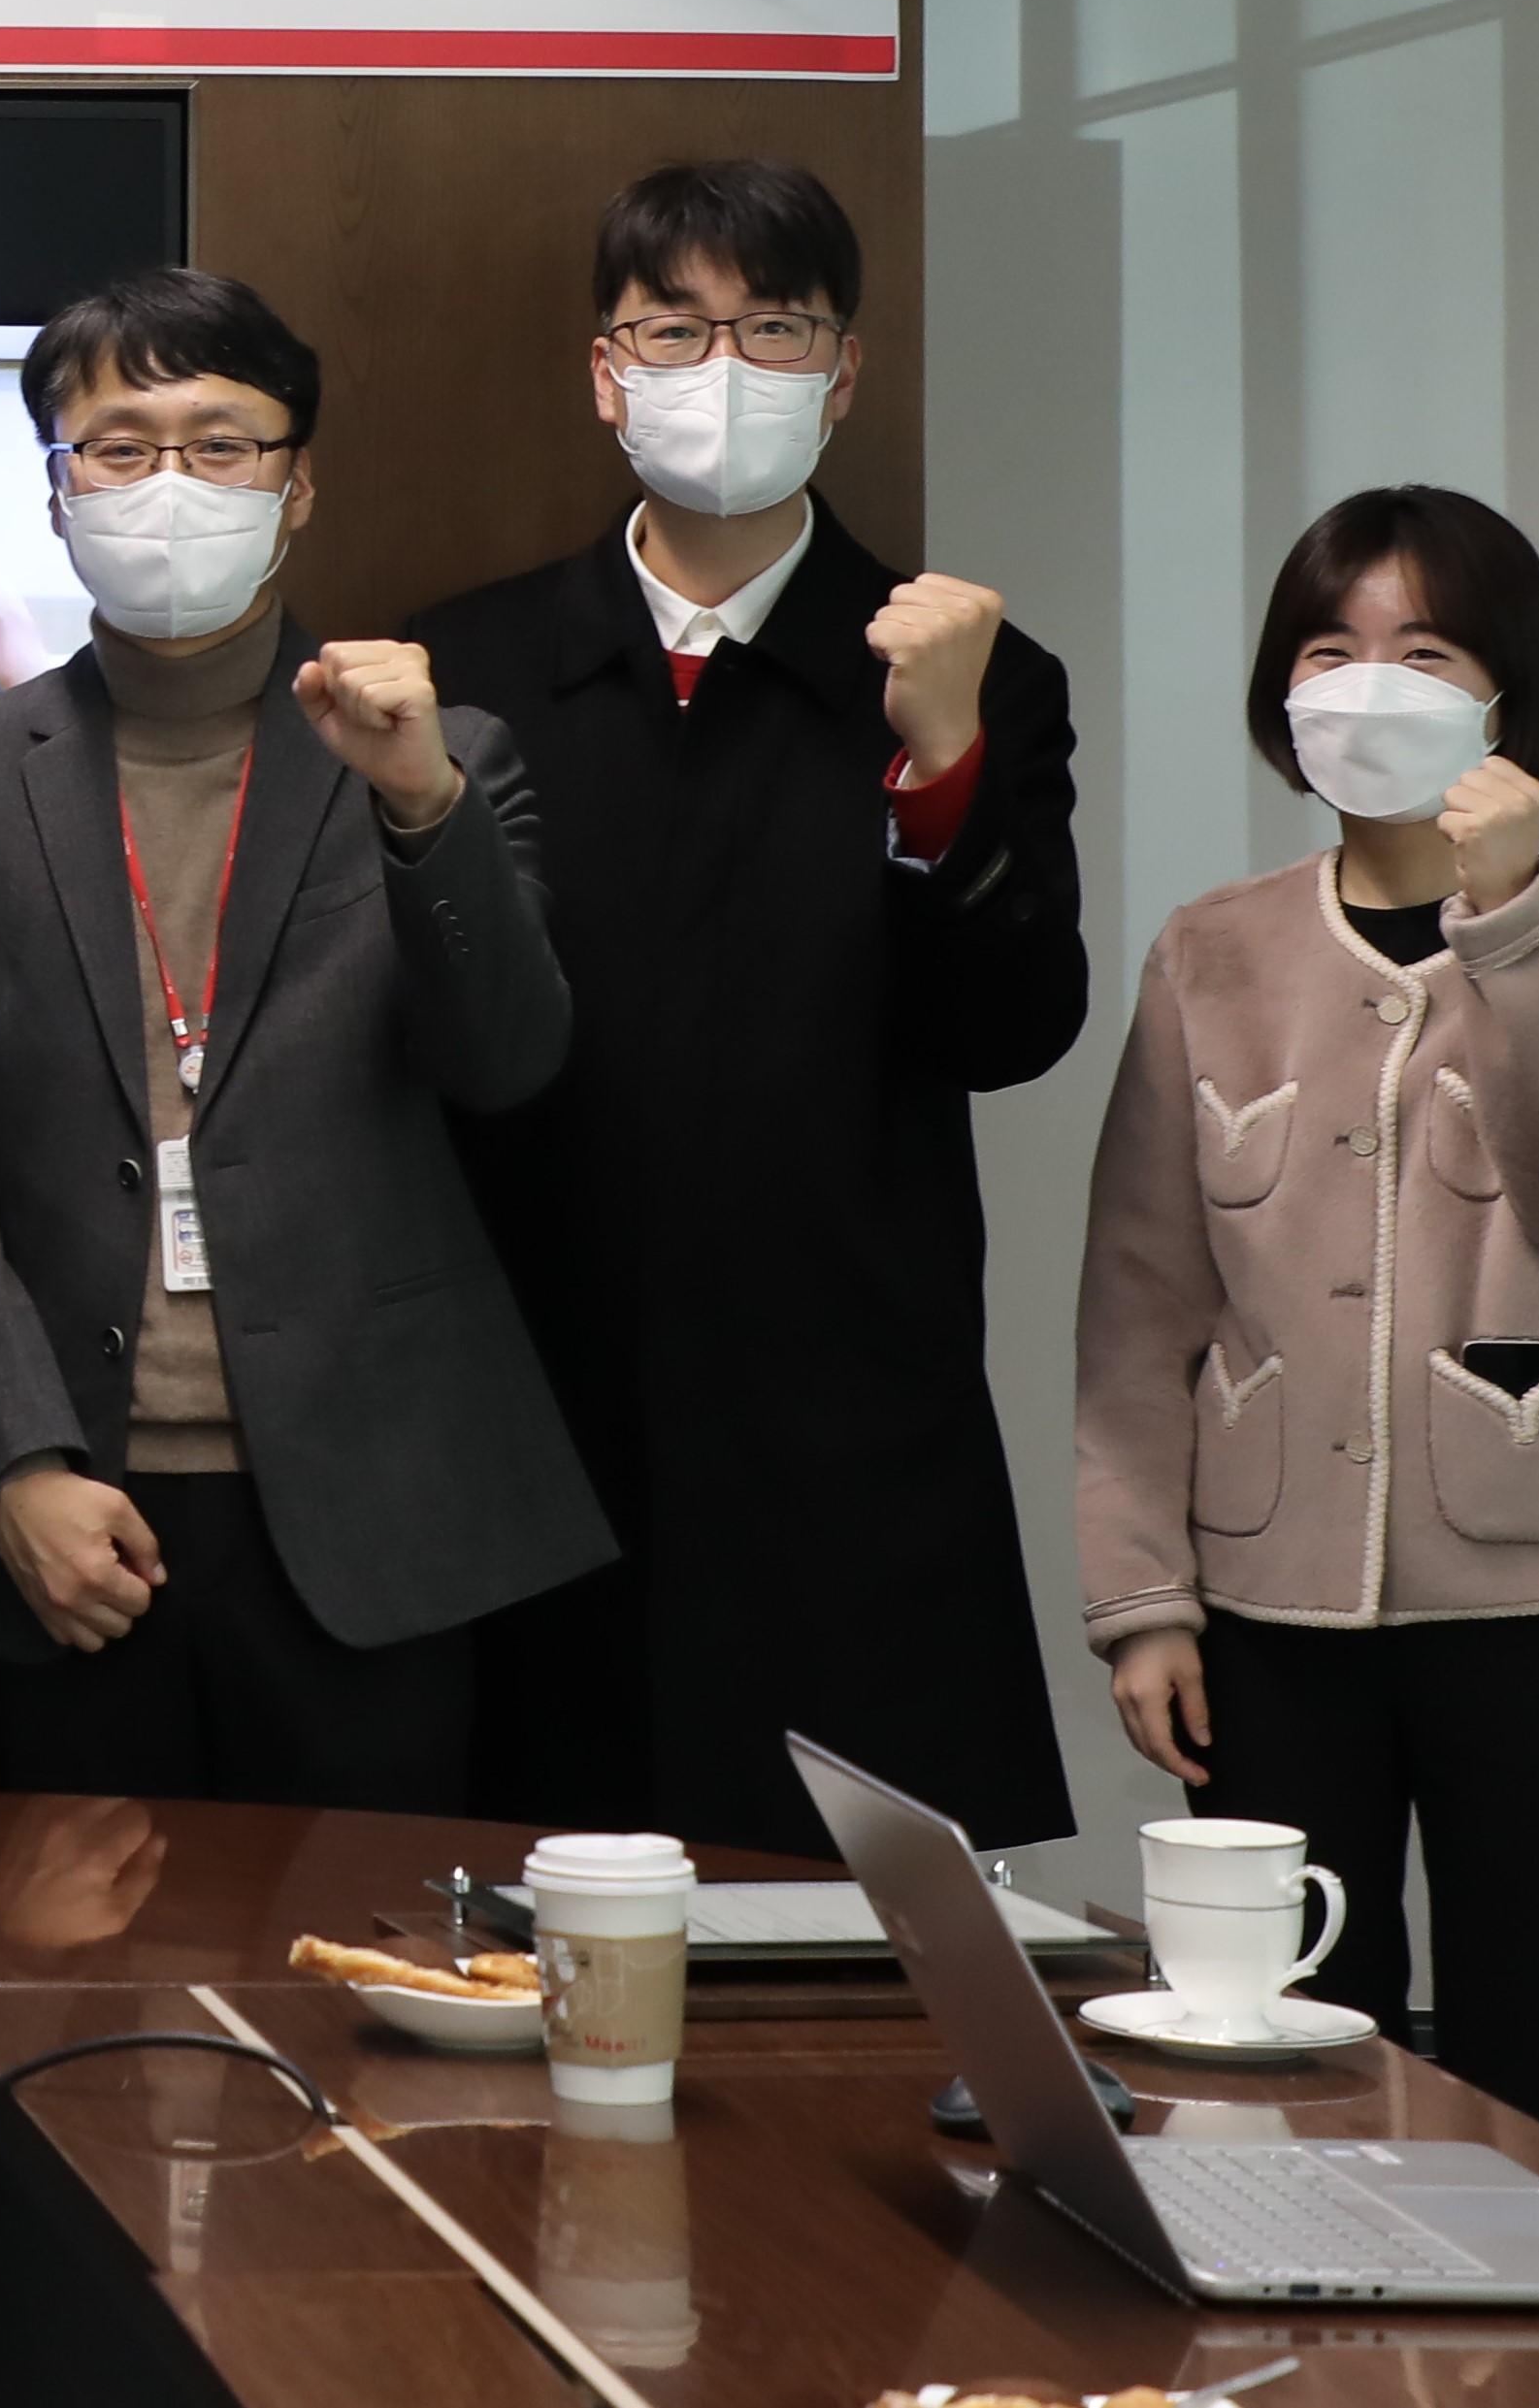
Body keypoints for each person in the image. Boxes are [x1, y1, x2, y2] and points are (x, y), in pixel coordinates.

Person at [409, 161, 1087, 1858]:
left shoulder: (970, 671)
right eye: (673, 330)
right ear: (604, 371)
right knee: (532, 1917)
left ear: (840, 373)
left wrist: (944, 759)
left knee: (843, 1935)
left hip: (839, 1425)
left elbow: (1011, 1027)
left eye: (772, 329)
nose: (722, 370)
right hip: (535, 1416)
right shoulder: (469, 665)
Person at [0, 267, 606, 1811]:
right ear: (55, 492)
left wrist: (420, 809)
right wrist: (12, 1464)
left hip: (373, 1511)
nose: (169, 485)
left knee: (364, 1953)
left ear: (295, 485)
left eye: (219, 444)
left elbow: (507, 1063)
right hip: (75, 1515)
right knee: (80, 1956)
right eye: (118, 447)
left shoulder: (438, 753)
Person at [1075, 487, 1539, 2156]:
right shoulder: (1207, 953)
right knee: (1278, 2057)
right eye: (1325, 649)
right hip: (1265, 1610)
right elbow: (1139, 1297)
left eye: (1420, 651)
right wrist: (1138, 1598)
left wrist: (1511, 921)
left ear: (1506, 697)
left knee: (1532, 2060)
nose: (1365, 684)